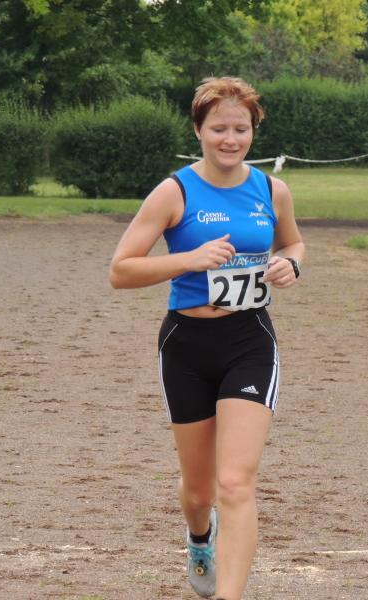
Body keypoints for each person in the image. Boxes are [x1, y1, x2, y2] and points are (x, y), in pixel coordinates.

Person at [109, 76, 305, 600]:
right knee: (199, 492)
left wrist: (290, 265)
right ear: (198, 130)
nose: (230, 139)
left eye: (241, 129)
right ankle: (200, 538)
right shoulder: (174, 192)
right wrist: (188, 260)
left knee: (235, 482)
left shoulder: (272, 190)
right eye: (219, 128)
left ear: (253, 132)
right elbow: (120, 271)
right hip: (187, 345)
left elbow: (293, 243)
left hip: (250, 340)